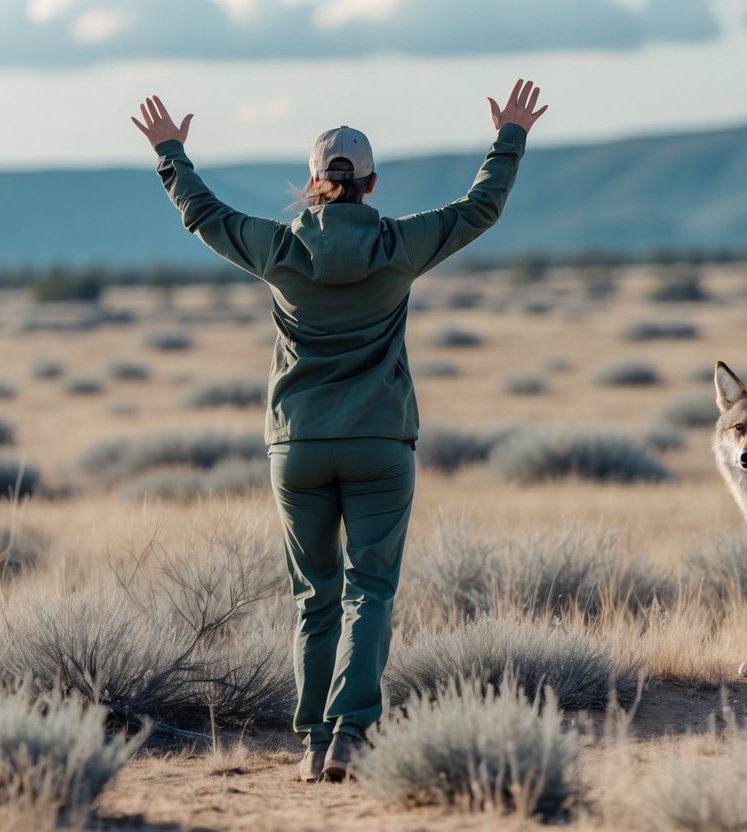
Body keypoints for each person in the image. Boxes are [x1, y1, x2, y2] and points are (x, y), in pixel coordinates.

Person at [131, 80, 547, 783]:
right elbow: (480, 209)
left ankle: (311, 740)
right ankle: (352, 733)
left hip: (296, 447)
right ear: (371, 183)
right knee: (370, 592)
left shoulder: (275, 249)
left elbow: (202, 215)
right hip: (382, 444)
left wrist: (171, 152)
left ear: (313, 183)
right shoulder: (399, 246)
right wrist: (508, 137)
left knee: (313, 597)